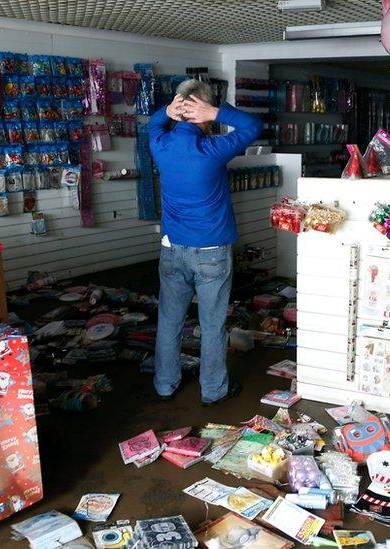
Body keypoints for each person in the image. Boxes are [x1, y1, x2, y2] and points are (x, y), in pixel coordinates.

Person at [148, 79, 263, 405]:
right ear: (205, 113)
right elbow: (254, 125)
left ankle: (165, 385)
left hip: (172, 250)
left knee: (169, 321)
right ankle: (213, 391)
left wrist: (167, 111)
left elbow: (152, 124)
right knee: (212, 325)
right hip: (211, 252)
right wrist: (217, 110)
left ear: (180, 109)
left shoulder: (161, 144)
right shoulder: (212, 150)